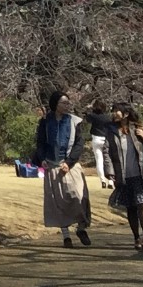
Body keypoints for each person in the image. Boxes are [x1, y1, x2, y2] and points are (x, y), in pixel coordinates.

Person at [36, 90, 90, 248]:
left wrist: (69, 162)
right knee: (58, 202)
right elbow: (40, 143)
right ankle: (66, 236)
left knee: (79, 196)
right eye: (63, 103)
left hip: (70, 166)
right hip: (52, 166)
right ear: (55, 104)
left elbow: (79, 144)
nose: (67, 106)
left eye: (68, 103)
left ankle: (81, 228)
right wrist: (42, 159)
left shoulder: (74, 121)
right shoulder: (45, 121)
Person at [104, 106, 143, 252]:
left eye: (117, 110)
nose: (114, 113)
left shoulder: (139, 128)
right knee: (130, 207)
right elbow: (106, 151)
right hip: (123, 174)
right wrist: (109, 171)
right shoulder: (111, 131)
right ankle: (136, 237)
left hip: (140, 174)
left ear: (126, 114)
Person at [87, 100, 117, 188]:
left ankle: (102, 180)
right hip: (106, 139)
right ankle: (111, 181)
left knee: (99, 160)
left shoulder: (93, 116)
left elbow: (87, 119)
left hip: (96, 139)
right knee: (109, 160)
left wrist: (89, 110)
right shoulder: (107, 117)